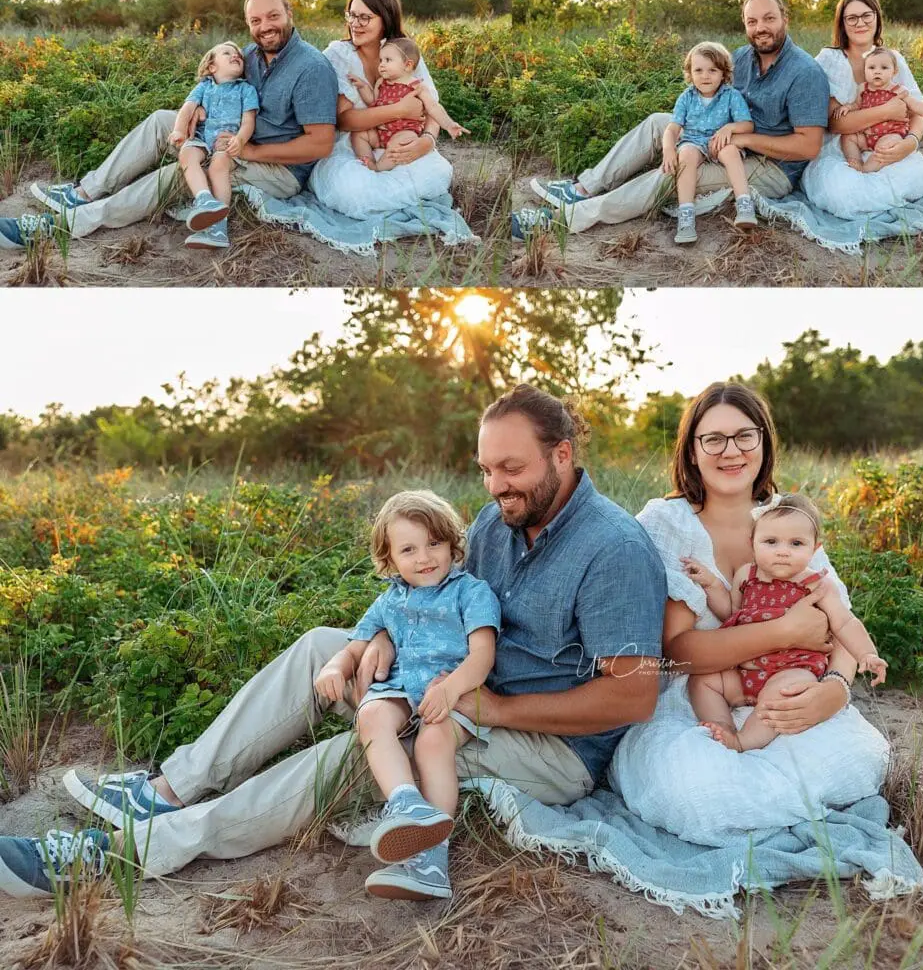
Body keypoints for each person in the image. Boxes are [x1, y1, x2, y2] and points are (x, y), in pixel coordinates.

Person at [0, 385, 665, 902]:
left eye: (511, 468)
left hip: (549, 747)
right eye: (486, 469)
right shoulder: (499, 521)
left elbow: (632, 698)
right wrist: (382, 638)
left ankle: (130, 852)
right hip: (457, 689)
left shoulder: (613, 549)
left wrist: (494, 708)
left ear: (562, 455)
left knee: (366, 749)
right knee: (327, 645)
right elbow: (445, 599)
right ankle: (171, 787)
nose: (495, 488)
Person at [609, 382, 890, 846]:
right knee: (696, 788)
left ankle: (766, 806)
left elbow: (837, 620)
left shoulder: (788, 519)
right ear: (692, 451)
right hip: (701, 696)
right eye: (713, 439)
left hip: (787, 687)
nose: (731, 451)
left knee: (856, 757)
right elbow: (677, 651)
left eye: (744, 436)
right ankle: (746, 790)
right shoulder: (667, 524)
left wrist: (835, 691)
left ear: (763, 442)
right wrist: (783, 631)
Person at [1, 0, 337, 251]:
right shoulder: (249, 54)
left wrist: (249, 151)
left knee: (185, 170)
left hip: (277, 169)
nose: (265, 27)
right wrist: (199, 110)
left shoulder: (311, 68)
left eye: (273, 16)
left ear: (290, 13)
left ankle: (65, 224)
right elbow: (217, 82)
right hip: (230, 138)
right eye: (255, 20)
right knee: (163, 119)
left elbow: (320, 145)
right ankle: (85, 192)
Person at [512, 0, 828, 240]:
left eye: (769, 18)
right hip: (722, 138)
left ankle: (563, 220)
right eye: (752, 21)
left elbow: (809, 146)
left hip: (771, 167)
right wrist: (690, 133)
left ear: (785, 19)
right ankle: (582, 190)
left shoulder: (805, 72)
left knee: (675, 171)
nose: (760, 28)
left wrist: (742, 138)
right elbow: (715, 99)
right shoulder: (742, 57)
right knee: (658, 123)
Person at [328, 490, 499, 899]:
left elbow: (483, 656)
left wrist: (452, 688)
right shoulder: (390, 600)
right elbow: (356, 646)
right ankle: (407, 803)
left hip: (454, 690)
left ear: (453, 545)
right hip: (401, 687)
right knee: (371, 717)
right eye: (408, 549)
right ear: (389, 559)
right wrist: (335, 667)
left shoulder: (471, 592)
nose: (424, 558)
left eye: (434, 543)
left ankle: (431, 862)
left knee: (432, 743)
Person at [685, 492, 887, 752]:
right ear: (752, 543)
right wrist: (711, 584)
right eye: (771, 541)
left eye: (796, 543)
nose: (782, 552)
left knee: (783, 696)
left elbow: (844, 623)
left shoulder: (817, 584)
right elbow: (732, 614)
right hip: (745, 670)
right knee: (703, 680)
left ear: (814, 548)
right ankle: (722, 724)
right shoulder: (747, 576)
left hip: (792, 669)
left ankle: (744, 741)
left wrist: (866, 653)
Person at [310, 0, 458, 218]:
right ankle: (382, 197)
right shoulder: (338, 55)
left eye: (365, 17)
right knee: (352, 190)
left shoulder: (405, 52)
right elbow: (343, 120)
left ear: (386, 19)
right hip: (354, 146)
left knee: (438, 172)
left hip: (399, 140)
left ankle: (385, 197)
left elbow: (431, 106)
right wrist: (399, 110)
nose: (355, 23)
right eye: (352, 15)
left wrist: (427, 141)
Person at [799, 0, 923, 219]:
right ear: (842, 23)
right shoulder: (829, 59)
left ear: (877, 17)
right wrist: (886, 111)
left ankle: (877, 199)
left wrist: (910, 144)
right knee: (842, 192)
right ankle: (867, 196)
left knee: (920, 176)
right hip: (843, 148)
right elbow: (836, 124)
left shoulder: (893, 58)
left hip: (888, 142)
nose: (860, 23)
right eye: (852, 18)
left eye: (867, 15)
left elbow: (916, 111)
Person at [662, 40, 757, 244]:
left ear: (723, 73)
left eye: (712, 70)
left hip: (719, 141)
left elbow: (747, 125)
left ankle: (745, 204)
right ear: (690, 73)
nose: (705, 76)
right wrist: (668, 149)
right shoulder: (686, 97)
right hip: (693, 141)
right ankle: (686, 217)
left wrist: (729, 128)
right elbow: (672, 129)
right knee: (685, 155)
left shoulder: (731, 96)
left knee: (730, 151)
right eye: (698, 70)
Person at [168, 41, 260, 248]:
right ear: (212, 67)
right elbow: (187, 108)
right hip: (202, 137)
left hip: (226, 141)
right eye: (227, 53)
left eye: (238, 55)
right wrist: (179, 130)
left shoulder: (246, 89)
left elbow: (249, 121)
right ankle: (205, 199)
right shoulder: (204, 86)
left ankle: (218, 230)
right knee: (187, 154)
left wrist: (240, 140)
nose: (235, 56)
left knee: (218, 167)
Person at [349, 38, 468, 172]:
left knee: (400, 144)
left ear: (407, 65)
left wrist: (449, 124)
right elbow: (373, 102)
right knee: (359, 134)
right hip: (380, 131)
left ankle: (379, 167)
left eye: (388, 60)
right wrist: (363, 87)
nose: (381, 65)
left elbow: (433, 107)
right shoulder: (381, 83)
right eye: (381, 60)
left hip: (404, 131)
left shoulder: (417, 86)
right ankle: (368, 159)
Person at [836, 46, 923, 174]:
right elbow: (857, 105)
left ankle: (866, 170)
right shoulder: (863, 88)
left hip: (890, 133)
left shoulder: (898, 90)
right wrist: (848, 107)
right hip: (866, 134)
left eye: (884, 68)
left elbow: (917, 106)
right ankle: (855, 161)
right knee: (848, 137)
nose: (877, 72)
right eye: (871, 68)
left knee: (885, 148)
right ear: (865, 71)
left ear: (894, 71)